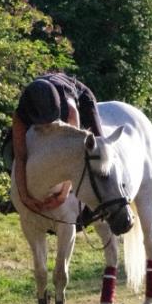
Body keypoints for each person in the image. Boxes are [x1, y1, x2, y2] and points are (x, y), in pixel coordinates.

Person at [11, 73, 103, 226]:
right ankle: (10, 200)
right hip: (44, 95)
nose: (47, 128)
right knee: (10, 148)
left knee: (98, 147)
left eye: (49, 123)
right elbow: (21, 157)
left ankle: (102, 200)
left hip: (80, 96)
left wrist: (64, 193)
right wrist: (24, 196)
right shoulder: (21, 115)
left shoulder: (70, 110)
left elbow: (74, 154)